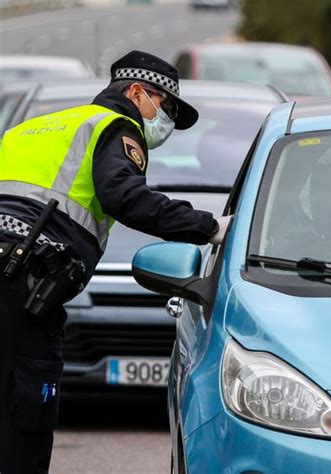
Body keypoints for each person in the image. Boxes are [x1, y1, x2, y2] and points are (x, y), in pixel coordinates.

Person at [0, 50, 231, 473]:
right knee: (24, 417)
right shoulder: (115, 125)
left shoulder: (26, 129)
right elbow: (126, 198)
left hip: (12, 268)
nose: (166, 121)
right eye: (166, 106)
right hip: (23, 284)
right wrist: (209, 226)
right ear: (138, 92)